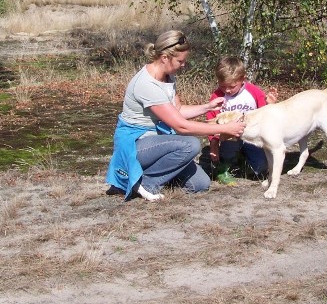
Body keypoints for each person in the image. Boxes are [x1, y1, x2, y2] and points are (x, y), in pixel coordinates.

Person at [105, 30, 246, 202]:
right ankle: (145, 183)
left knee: (200, 184)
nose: (184, 64)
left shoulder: (168, 77)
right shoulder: (147, 85)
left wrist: (207, 106)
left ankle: (151, 176)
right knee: (190, 145)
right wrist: (224, 128)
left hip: (159, 143)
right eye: (180, 60)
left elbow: (177, 110)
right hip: (136, 145)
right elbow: (181, 126)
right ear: (165, 57)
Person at [204, 56, 277, 185]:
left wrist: (270, 105)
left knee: (260, 168)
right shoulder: (217, 96)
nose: (227, 90)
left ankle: (245, 160)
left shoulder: (253, 92)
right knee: (228, 149)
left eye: (232, 86)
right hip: (229, 137)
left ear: (242, 79)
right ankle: (225, 167)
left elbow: (264, 114)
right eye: (223, 86)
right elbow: (212, 121)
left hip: (252, 136)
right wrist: (213, 144)